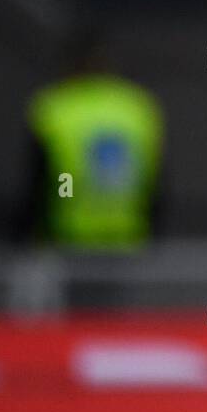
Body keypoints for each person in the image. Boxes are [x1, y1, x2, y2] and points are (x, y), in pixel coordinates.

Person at [25, 35, 164, 253]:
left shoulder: (55, 109)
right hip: (128, 242)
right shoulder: (137, 107)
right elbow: (156, 184)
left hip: (68, 239)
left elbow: (37, 185)